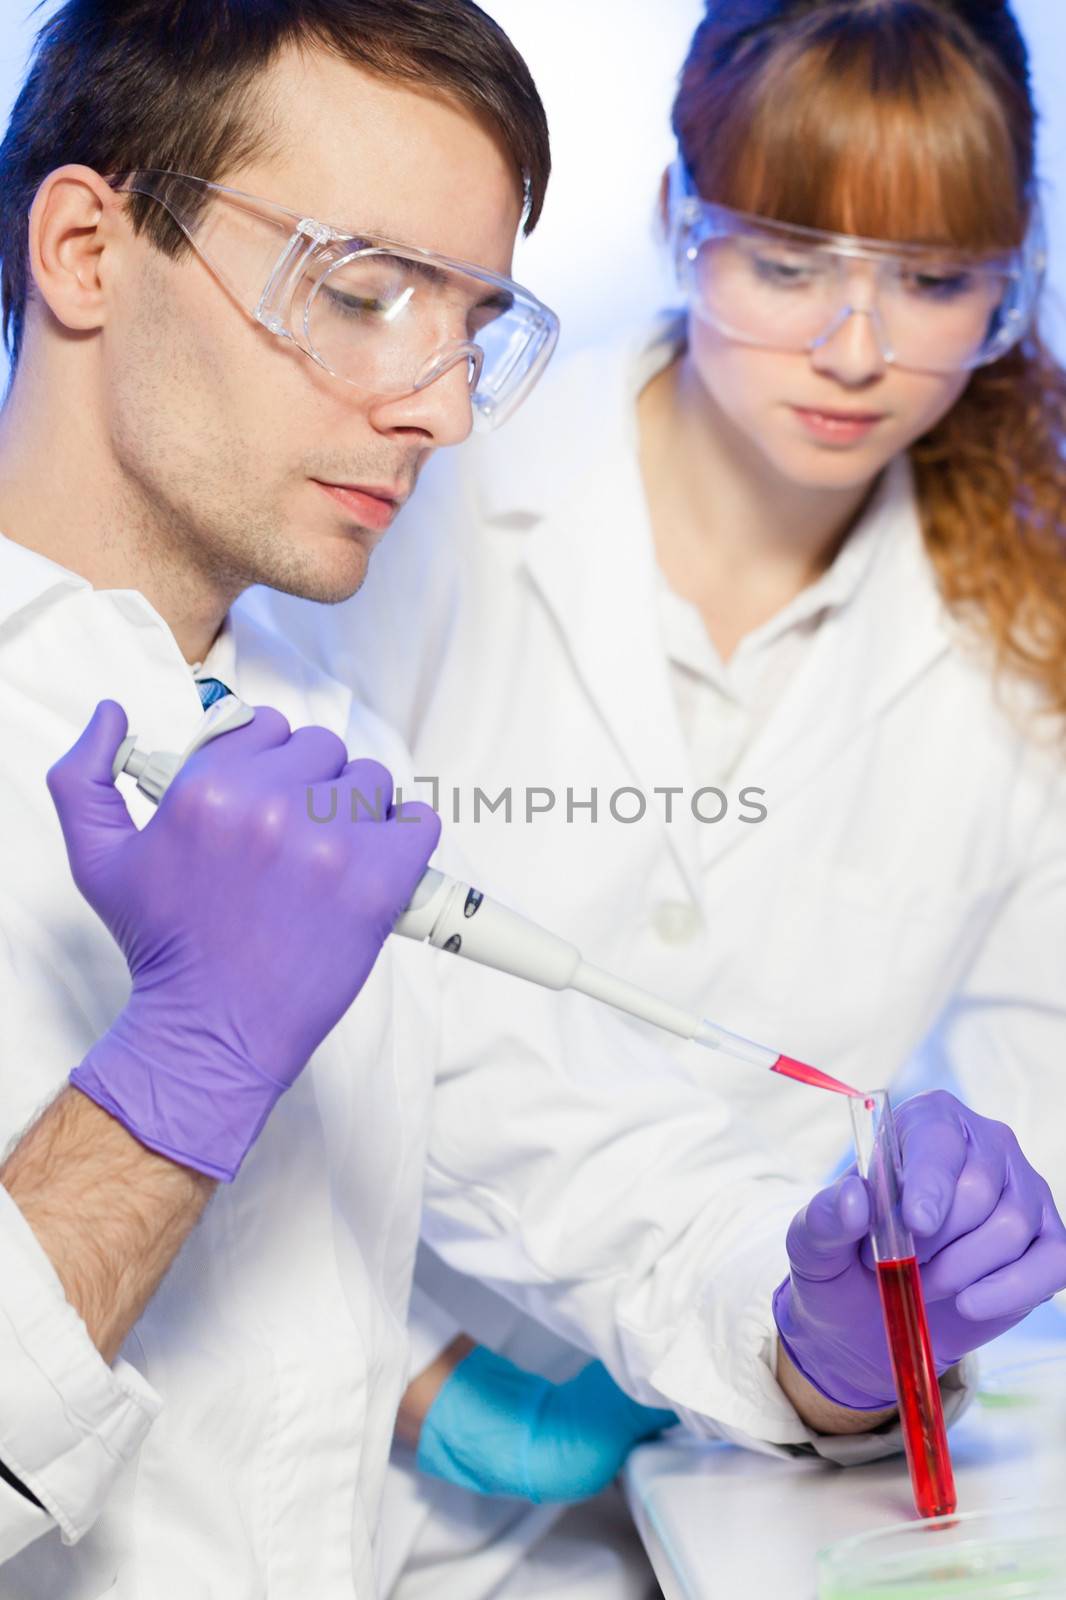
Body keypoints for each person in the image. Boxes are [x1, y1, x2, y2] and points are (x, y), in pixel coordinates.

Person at [256, 0, 1066, 1595]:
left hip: (723, 1474)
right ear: (676, 225)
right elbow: (248, 975)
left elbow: (1032, 1084)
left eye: (933, 283)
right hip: (312, 1417)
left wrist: (926, 1285)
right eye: (784, 263)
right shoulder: (430, 475)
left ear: (1011, 281)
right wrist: (419, 1381)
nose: (856, 347)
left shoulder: (1024, 632)